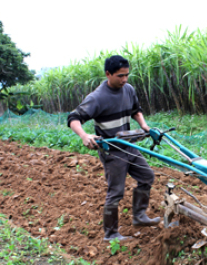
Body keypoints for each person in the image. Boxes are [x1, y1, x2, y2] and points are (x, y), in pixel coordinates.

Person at [67, 55, 160, 242]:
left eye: (126, 75)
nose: (124, 80)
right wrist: (84, 136)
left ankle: (139, 216)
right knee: (116, 191)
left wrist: (144, 126)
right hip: (112, 151)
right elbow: (73, 118)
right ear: (108, 74)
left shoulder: (129, 90)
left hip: (129, 146)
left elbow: (136, 110)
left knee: (147, 176)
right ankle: (110, 234)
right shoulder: (97, 97)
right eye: (120, 76)